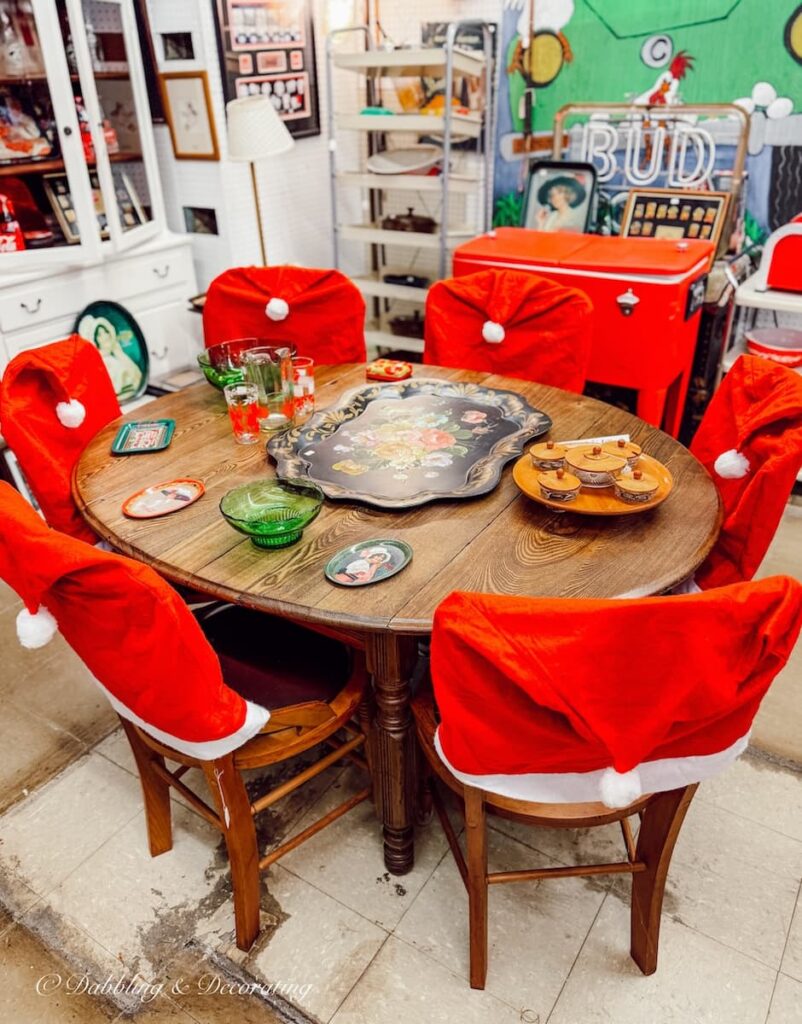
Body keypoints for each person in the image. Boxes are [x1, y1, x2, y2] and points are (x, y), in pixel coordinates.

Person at [80, 315, 143, 400]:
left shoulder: (117, 353)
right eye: (99, 334)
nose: (105, 336)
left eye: (106, 331)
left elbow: (138, 378)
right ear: (95, 340)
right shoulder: (104, 362)